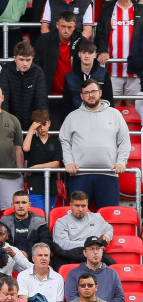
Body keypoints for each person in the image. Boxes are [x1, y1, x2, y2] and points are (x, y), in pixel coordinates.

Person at [59, 79, 130, 209]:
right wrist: (68, 162)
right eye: (86, 93)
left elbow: (124, 141)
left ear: (100, 93)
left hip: (108, 174)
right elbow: (64, 141)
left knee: (109, 218)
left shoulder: (115, 114)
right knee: (78, 218)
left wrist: (121, 162)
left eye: (93, 91)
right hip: (79, 175)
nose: (90, 95)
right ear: (81, 96)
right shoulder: (72, 117)